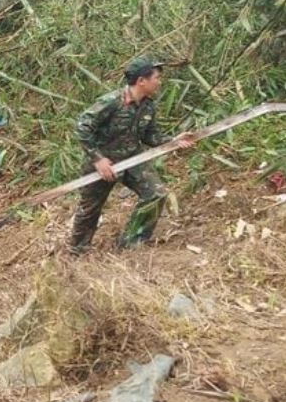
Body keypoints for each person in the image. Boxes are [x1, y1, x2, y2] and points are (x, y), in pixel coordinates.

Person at [68, 57, 196, 254]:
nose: (159, 82)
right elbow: (82, 128)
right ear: (141, 81)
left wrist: (175, 140)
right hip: (103, 163)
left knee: (156, 194)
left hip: (133, 160)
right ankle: (77, 251)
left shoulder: (148, 106)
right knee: (89, 210)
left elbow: (150, 137)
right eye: (156, 78)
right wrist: (98, 159)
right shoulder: (111, 102)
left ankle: (131, 243)